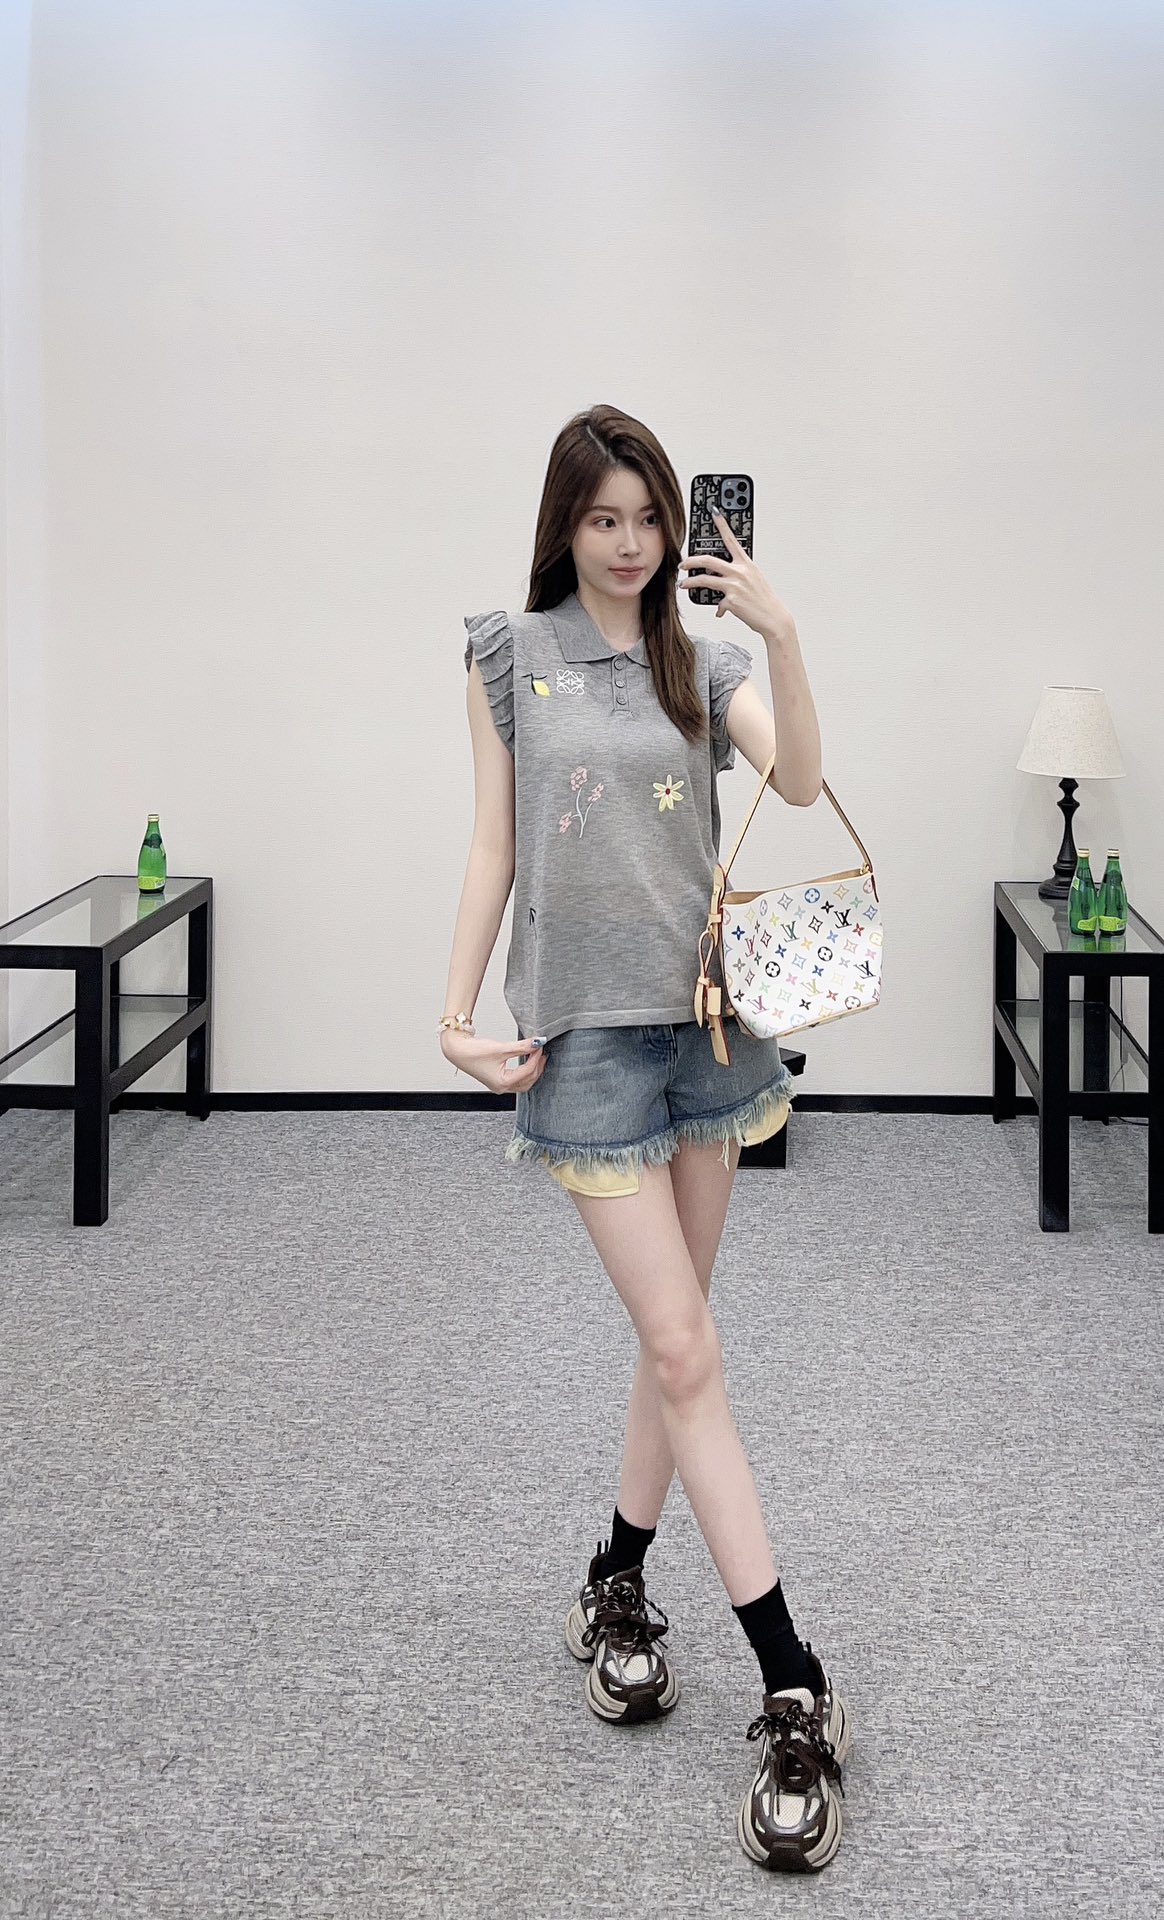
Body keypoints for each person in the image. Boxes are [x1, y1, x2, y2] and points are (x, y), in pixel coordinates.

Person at [440, 403, 850, 1874]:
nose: (629, 544)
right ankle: (793, 1684)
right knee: (683, 1347)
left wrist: (780, 635)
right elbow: (494, 842)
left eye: (649, 518)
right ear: (564, 524)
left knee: (676, 1346)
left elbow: (798, 784)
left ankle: (617, 1577)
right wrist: (451, 1011)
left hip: (709, 1031)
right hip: (592, 1047)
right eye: (602, 518)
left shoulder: (704, 659)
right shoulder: (512, 653)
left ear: (681, 526)